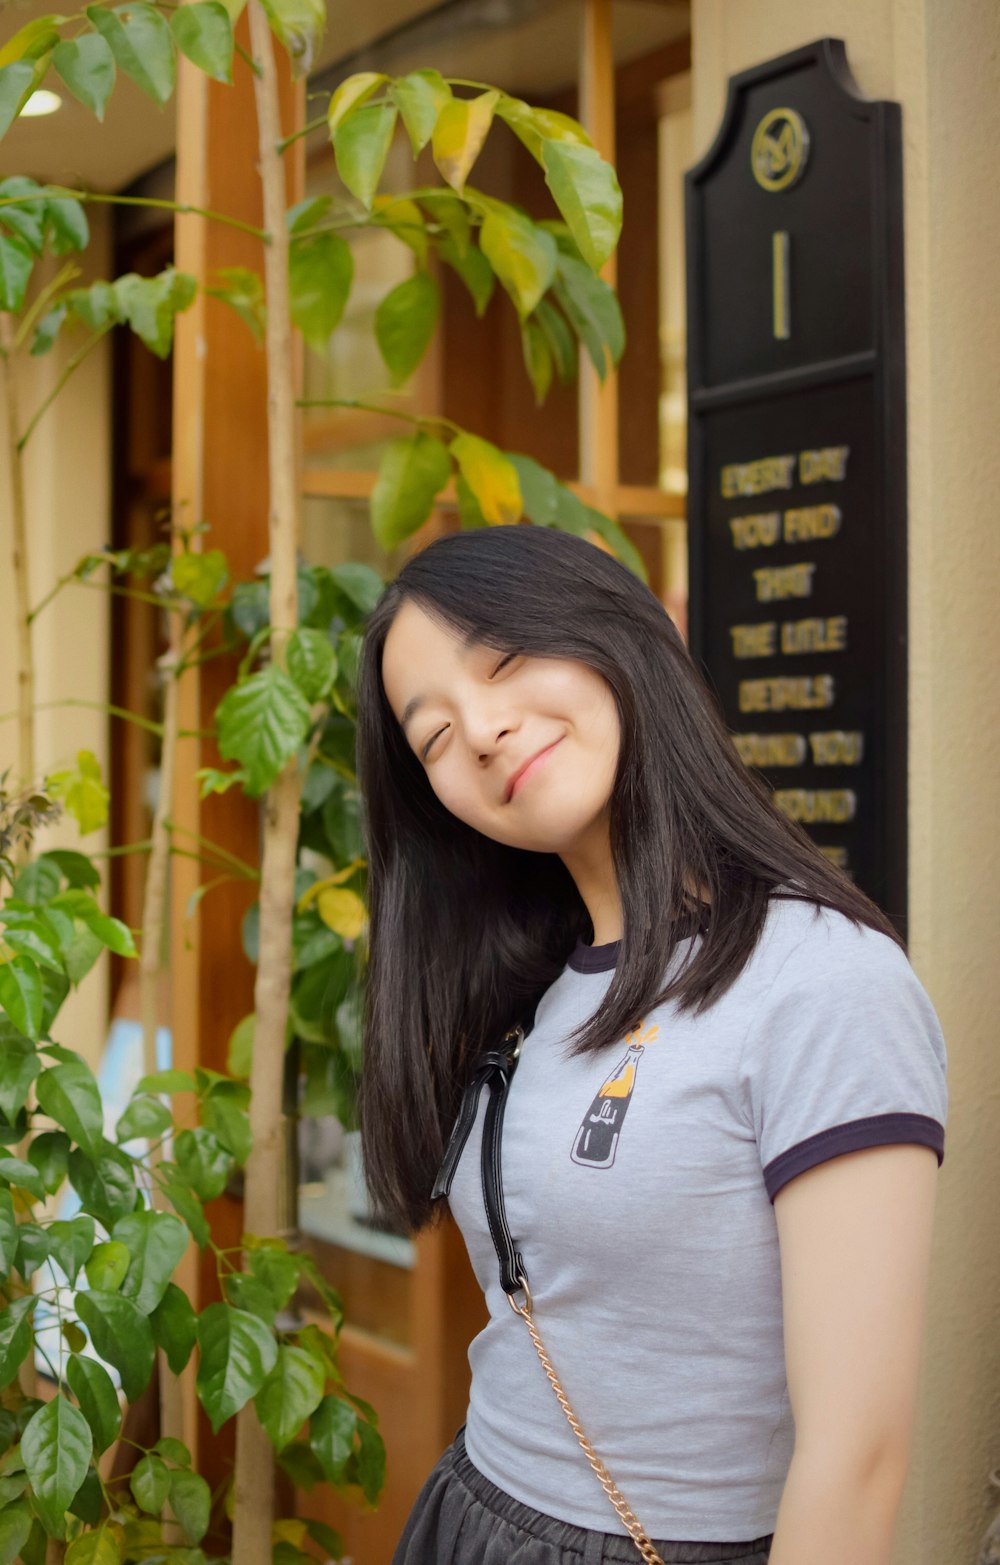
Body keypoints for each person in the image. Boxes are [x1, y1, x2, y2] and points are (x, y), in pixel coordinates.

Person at [355, 524, 947, 1565]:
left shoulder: (820, 979)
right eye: (434, 734)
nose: (483, 729)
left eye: (503, 660)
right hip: (467, 1514)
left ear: (619, 636)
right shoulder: (530, 985)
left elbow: (855, 1459)